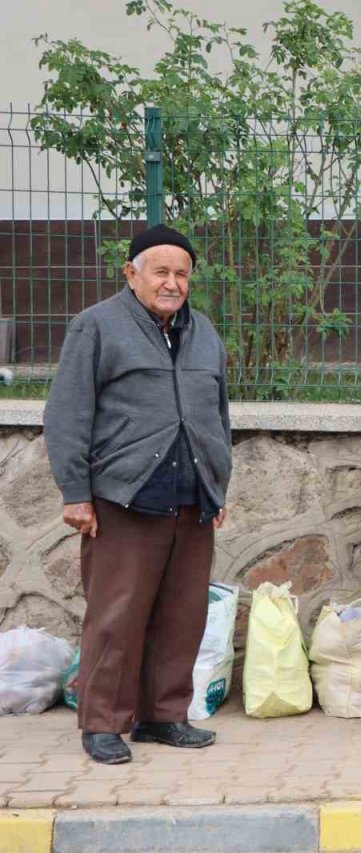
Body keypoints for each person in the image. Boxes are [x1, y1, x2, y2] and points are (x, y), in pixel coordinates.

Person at [44, 224, 232, 764]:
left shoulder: (204, 333)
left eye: (181, 274)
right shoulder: (97, 327)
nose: (172, 283)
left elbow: (218, 416)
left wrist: (216, 486)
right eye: (161, 272)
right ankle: (103, 722)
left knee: (182, 613)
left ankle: (164, 716)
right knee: (116, 614)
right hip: (122, 497)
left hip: (192, 497)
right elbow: (67, 414)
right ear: (132, 274)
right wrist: (76, 493)